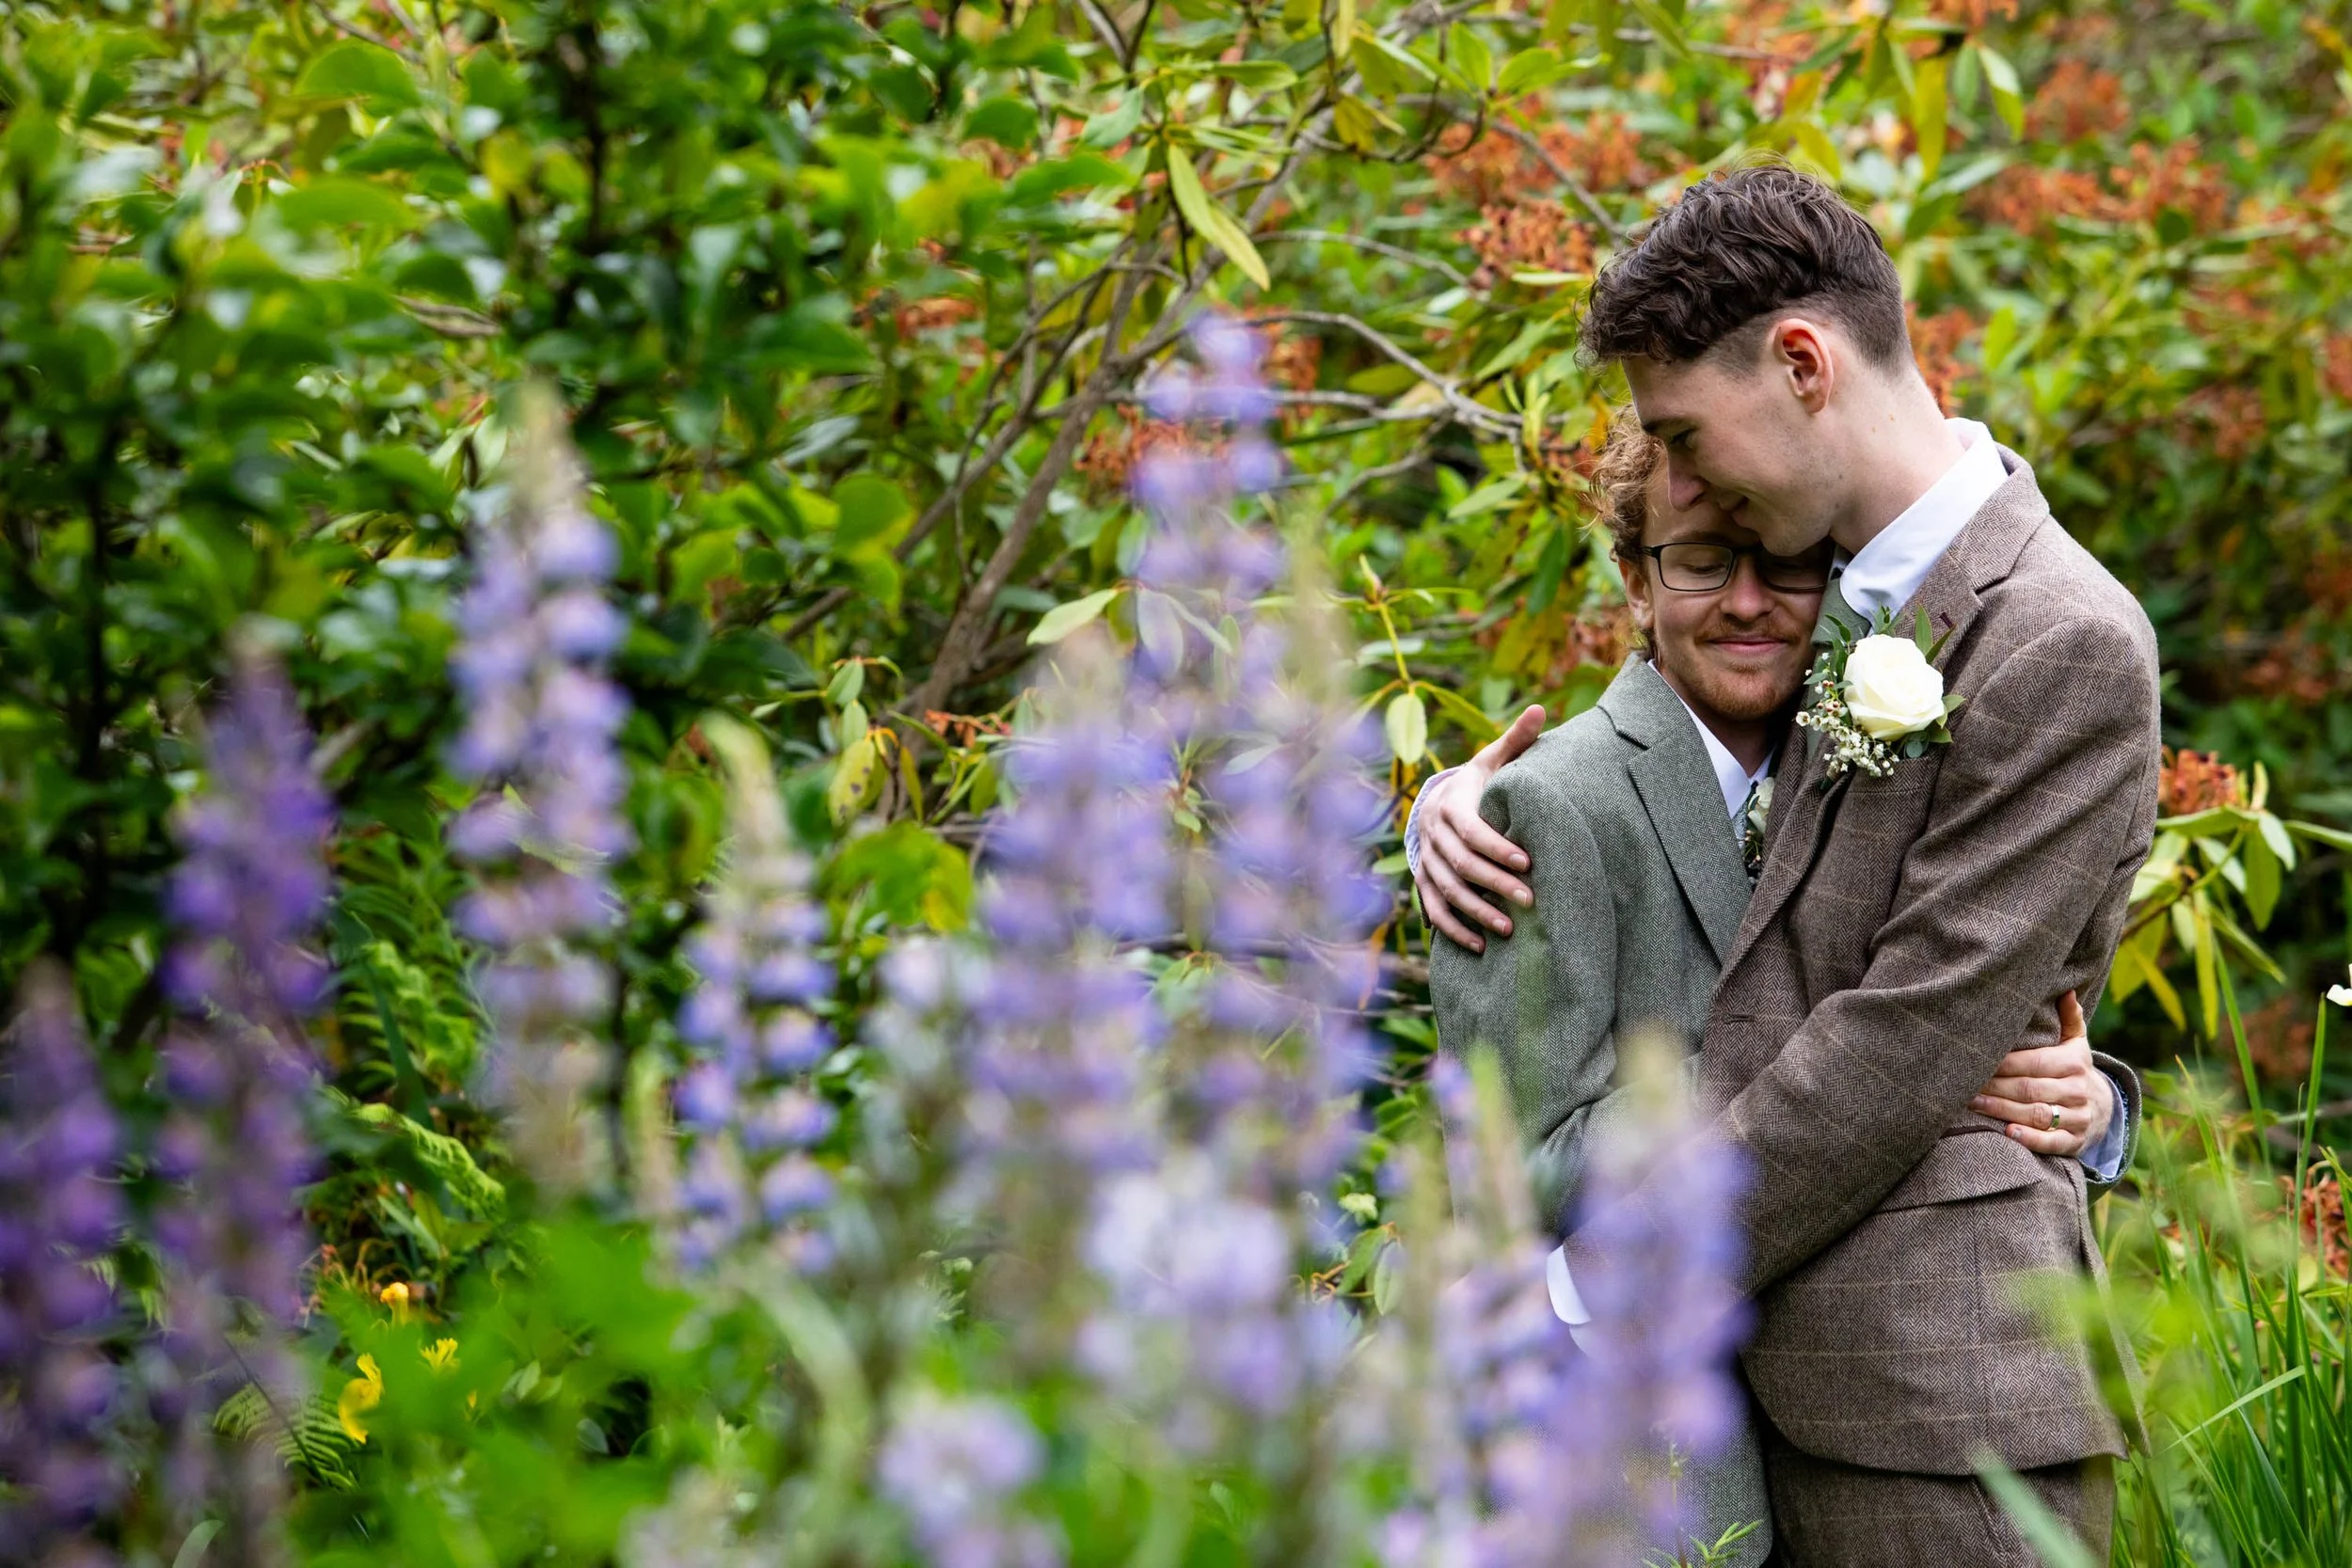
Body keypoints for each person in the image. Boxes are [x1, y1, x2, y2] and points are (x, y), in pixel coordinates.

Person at [1414, 163, 2160, 1564]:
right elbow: (1702, 844)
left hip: (1940, 1410)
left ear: (1804, 365)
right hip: (1750, 1428)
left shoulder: (2061, 637)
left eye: (1685, 436)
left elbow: (1905, 1033)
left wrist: (1593, 1294)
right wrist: (1458, 808)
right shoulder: (1841, 589)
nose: (1679, 483)